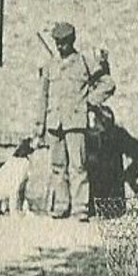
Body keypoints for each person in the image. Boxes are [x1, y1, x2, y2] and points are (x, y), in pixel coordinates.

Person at [38, 21, 114, 222]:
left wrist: (89, 101)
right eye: (57, 43)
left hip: (75, 122)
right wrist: (39, 125)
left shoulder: (84, 61)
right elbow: (43, 96)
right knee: (57, 166)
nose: (60, 47)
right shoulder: (50, 65)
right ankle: (61, 206)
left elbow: (108, 84)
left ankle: (80, 208)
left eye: (63, 43)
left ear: (72, 41)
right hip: (55, 122)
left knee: (78, 166)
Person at [86, 104, 138, 217]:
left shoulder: (118, 135)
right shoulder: (88, 137)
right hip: (92, 205)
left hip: (113, 204)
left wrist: (129, 176)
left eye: (97, 120)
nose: (95, 123)